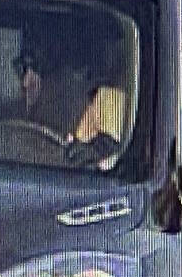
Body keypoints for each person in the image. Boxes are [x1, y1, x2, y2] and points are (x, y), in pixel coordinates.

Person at [13, 24, 125, 170]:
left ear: (86, 77)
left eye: (42, 69)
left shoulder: (109, 163)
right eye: (21, 69)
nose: (25, 82)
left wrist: (99, 154)